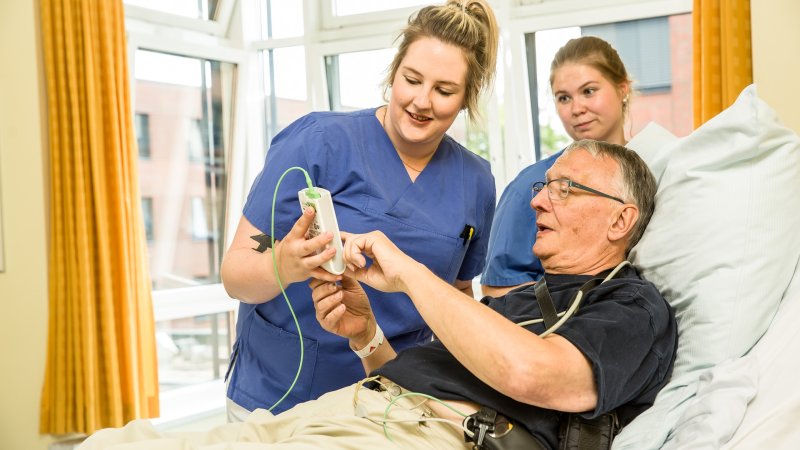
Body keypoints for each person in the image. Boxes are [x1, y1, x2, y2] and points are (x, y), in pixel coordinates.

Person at [78, 140, 677, 450]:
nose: (539, 200)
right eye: (545, 186)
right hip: (356, 409)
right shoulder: (521, 300)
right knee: (113, 441)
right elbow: (435, 381)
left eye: (565, 188)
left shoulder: (631, 307)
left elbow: (533, 377)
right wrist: (367, 337)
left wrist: (410, 272)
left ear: (621, 220)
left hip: (415, 435)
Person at [219, 0, 500, 418]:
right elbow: (237, 271)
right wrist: (285, 262)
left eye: (443, 91)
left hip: (395, 397)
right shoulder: (319, 142)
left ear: (466, 98)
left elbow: (457, 296)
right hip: (280, 393)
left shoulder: (475, 181)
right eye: (412, 79)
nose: (422, 101)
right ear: (393, 74)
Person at [482, 36, 633, 297]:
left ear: (623, 89)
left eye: (589, 91)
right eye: (563, 98)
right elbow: (497, 290)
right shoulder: (530, 187)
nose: (577, 108)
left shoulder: (655, 170)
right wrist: (588, 313)